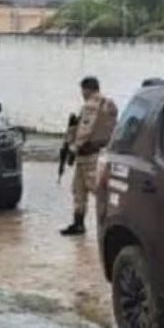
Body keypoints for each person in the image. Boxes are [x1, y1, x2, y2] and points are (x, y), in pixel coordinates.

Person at [60, 76, 119, 236]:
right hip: (92, 153)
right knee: (78, 188)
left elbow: (85, 129)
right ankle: (78, 223)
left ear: (87, 89)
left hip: (88, 153)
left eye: (82, 90)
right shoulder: (106, 103)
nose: (82, 94)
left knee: (96, 189)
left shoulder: (91, 105)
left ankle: (110, 222)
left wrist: (74, 147)